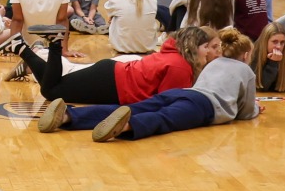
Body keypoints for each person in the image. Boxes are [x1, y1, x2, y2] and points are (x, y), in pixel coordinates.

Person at [41, 25, 258, 138]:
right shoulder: (242, 70)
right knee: (165, 118)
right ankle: (126, 126)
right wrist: (255, 108)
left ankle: (69, 116)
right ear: (247, 55)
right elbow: (246, 112)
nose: (211, 52)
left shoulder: (203, 63)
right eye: (208, 47)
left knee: (134, 108)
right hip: (200, 104)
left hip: (124, 75)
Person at [14, 26, 211, 108]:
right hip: (113, 84)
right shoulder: (180, 67)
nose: (210, 52)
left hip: (112, 74)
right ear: (192, 47)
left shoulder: (173, 53)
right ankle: (51, 44)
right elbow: (166, 103)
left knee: (55, 84)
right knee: (51, 91)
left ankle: (22, 47)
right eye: (207, 47)